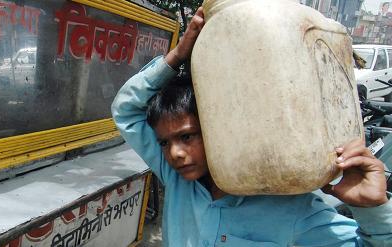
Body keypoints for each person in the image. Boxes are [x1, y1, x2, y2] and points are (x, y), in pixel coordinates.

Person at [111, 7, 392, 246]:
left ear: (220, 128)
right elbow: (125, 110)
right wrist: (178, 55)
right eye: (164, 142)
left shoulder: (292, 210)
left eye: (186, 136)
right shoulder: (176, 179)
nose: (174, 154)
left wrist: (372, 209)